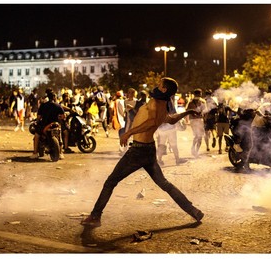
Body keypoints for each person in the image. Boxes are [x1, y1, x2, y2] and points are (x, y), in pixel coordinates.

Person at [81, 77, 204, 227]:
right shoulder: (163, 104)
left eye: (160, 85)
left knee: (110, 182)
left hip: (138, 150)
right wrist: (188, 112)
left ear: (164, 89)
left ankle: (95, 216)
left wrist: (128, 133)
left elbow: (151, 122)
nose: (157, 86)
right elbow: (171, 120)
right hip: (149, 150)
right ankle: (193, 210)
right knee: (165, 184)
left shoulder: (156, 102)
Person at [30, 89, 66, 160]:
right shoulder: (58, 106)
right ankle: (61, 153)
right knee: (60, 136)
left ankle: (35, 153)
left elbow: (39, 117)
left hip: (44, 125)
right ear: (54, 97)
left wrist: (38, 120)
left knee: (36, 136)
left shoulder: (43, 105)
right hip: (55, 124)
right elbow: (63, 116)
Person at [186, 88, 207, 158]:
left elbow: (205, 111)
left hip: (200, 120)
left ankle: (196, 151)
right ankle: (193, 149)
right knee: (197, 135)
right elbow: (187, 111)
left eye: (200, 94)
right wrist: (193, 114)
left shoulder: (202, 102)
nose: (199, 95)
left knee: (200, 136)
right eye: (198, 94)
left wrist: (203, 115)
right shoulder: (191, 103)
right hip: (194, 120)